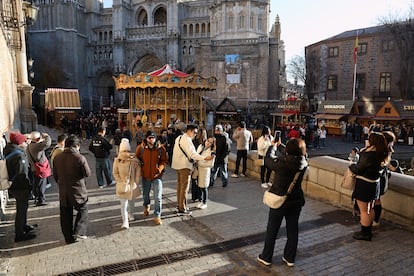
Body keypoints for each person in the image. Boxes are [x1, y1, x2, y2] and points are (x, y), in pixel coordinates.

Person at [257, 138, 308, 267]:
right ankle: (290, 258)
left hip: (279, 199)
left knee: (272, 230)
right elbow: (293, 153)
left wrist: (272, 146)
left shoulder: (282, 163)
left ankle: (266, 257)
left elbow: (268, 160)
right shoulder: (303, 162)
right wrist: (281, 146)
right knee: (293, 229)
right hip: (295, 200)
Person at [349, 132, 390, 241]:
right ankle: (368, 230)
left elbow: (358, 168)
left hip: (364, 184)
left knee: (364, 210)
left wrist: (351, 165)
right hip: (374, 183)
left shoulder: (368, 155)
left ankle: (365, 233)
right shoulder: (382, 153)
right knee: (370, 207)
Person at [53, 135, 91, 244]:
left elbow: (55, 175)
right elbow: (87, 173)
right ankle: (79, 231)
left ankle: (68, 237)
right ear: (77, 146)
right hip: (78, 190)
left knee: (65, 214)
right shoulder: (79, 157)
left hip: (64, 190)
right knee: (83, 209)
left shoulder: (57, 157)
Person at [171, 124, 213, 215]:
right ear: (189, 131)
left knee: (179, 186)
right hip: (185, 166)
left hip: (178, 165)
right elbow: (193, 154)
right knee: (184, 188)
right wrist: (204, 158)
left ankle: (180, 205)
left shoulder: (179, 138)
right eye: (195, 132)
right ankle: (182, 208)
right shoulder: (187, 140)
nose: (195, 134)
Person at [4, 132, 38, 242]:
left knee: (23, 208)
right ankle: (19, 234)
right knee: (21, 210)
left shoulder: (10, 150)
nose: (25, 143)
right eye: (24, 141)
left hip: (16, 187)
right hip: (20, 187)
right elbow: (22, 174)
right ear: (19, 143)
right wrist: (28, 187)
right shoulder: (19, 155)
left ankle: (24, 226)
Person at [136, 131, 168, 225]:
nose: (151, 139)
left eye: (153, 138)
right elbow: (137, 159)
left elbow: (164, 160)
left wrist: (160, 169)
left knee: (158, 197)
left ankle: (157, 215)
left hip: (157, 176)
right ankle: (146, 205)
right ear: (146, 138)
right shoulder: (141, 148)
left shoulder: (160, 148)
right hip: (145, 175)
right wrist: (140, 169)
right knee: (146, 195)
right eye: (149, 138)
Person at [113, 138, 141, 229]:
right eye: (124, 150)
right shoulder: (117, 160)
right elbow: (115, 172)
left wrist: (136, 180)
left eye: (127, 150)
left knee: (132, 202)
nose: (126, 152)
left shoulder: (134, 159)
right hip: (123, 185)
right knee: (123, 204)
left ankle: (131, 213)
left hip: (132, 185)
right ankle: (125, 222)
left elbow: (138, 170)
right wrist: (119, 181)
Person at [27, 131, 52, 206]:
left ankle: (37, 198)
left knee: (36, 184)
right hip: (39, 168)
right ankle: (41, 200)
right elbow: (47, 144)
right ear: (37, 139)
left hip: (34, 168)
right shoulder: (37, 146)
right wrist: (47, 136)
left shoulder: (30, 145)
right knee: (41, 184)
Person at [195, 137, 216, 209]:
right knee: (199, 186)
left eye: (210, 142)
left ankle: (205, 202)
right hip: (197, 170)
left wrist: (200, 162)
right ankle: (200, 200)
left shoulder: (212, 152)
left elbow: (211, 164)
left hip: (204, 170)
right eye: (207, 141)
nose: (208, 143)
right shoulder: (201, 146)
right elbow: (196, 155)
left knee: (204, 187)